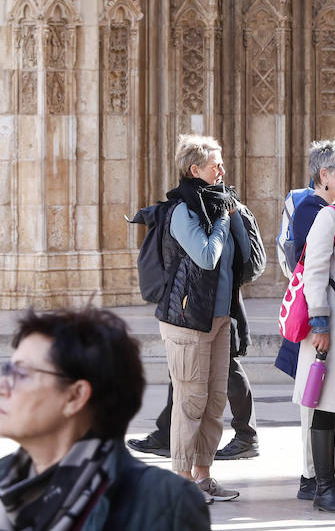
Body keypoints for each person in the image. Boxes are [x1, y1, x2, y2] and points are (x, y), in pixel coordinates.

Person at [0, 308, 210, 530]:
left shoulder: (163, 501)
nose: (3, 386)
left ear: (75, 396)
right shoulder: (6, 478)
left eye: (21, 374)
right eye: (6, 370)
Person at [153, 134, 265, 504]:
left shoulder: (219, 205)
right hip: (187, 319)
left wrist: (235, 219)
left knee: (215, 400)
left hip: (218, 317)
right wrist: (221, 221)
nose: (222, 170)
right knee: (190, 401)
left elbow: (243, 260)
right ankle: (183, 481)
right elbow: (206, 256)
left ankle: (203, 476)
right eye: (215, 164)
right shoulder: (183, 211)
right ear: (194, 168)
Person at [293, 141, 335, 514]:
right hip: (329, 323)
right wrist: (319, 322)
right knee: (324, 402)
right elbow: (314, 273)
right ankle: (322, 487)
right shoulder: (329, 215)